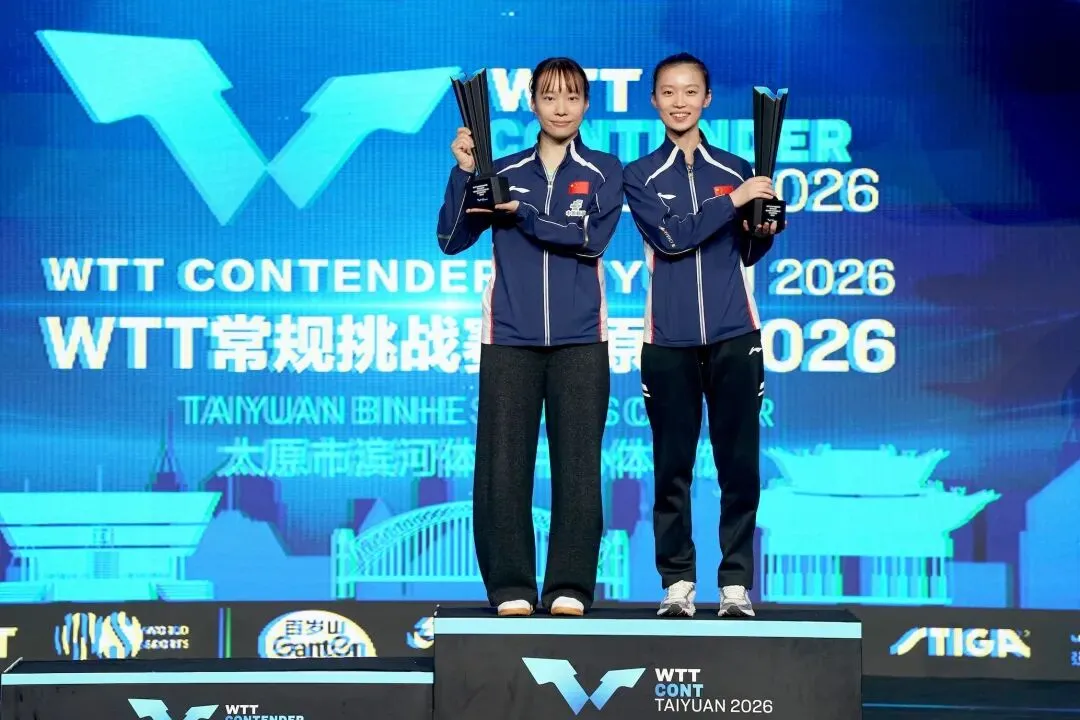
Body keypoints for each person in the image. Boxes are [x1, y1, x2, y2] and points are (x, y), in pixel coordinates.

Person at [436, 57, 624, 617]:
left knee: (579, 466)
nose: (561, 108)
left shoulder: (605, 170)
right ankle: (510, 586)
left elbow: (591, 239)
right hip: (509, 336)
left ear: (586, 104)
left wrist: (523, 214)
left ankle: (570, 586)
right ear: (533, 103)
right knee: (502, 466)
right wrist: (465, 174)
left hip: (580, 338)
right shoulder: (503, 168)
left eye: (572, 97)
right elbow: (451, 238)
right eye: (549, 96)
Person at [622, 53, 782, 618]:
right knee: (673, 467)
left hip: (736, 334)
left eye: (690, 91)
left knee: (739, 466)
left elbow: (749, 249)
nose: (680, 102)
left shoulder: (739, 169)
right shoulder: (639, 175)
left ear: (707, 99)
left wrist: (765, 224)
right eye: (669, 92)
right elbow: (671, 238)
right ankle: (678, 582)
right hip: (667, 340)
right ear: (654, 101)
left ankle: (735, 583)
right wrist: (734, 202)